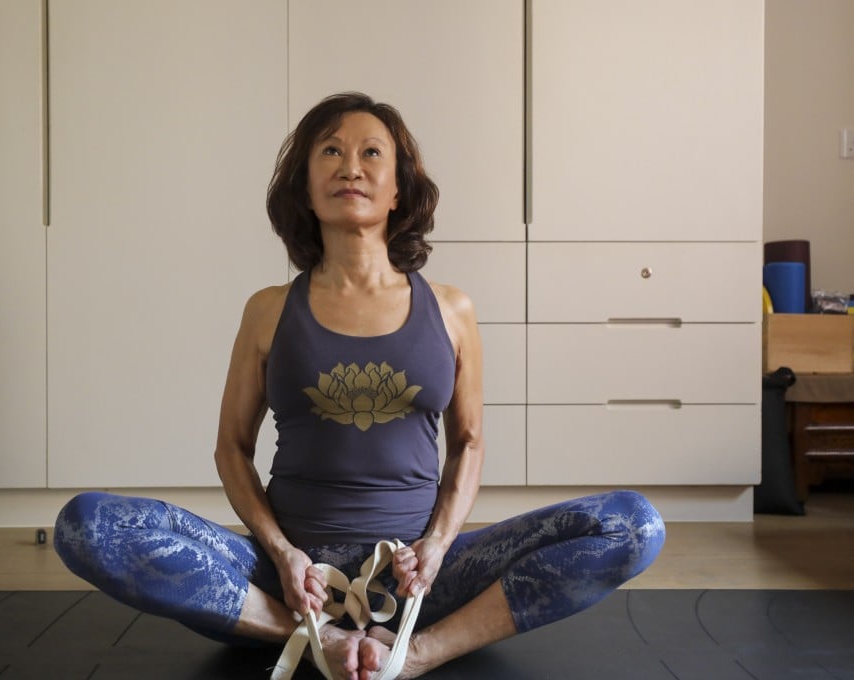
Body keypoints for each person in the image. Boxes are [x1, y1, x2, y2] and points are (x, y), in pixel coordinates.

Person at [54, 92, 665, 680]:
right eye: (331, 151)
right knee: (88, 525)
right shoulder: (268, 310)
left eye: (372, 152)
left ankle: (418, 651)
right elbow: (231, 448)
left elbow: (470, 443)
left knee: (634, 525)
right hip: (286, 580)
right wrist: (284, 555)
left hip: (420, 579)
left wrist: (436, 546)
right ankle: (312, 637)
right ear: (305, 187)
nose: (351, 166)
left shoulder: (452, 309)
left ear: (399, 188)